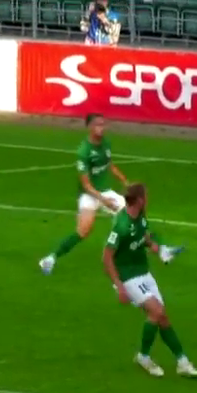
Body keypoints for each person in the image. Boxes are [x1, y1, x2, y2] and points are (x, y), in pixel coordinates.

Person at [103, 183, 197, 378]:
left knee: (162, 317)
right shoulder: (121, 226)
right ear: (139, 200)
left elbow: (143, 235)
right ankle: (143, 357)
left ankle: (182, 362)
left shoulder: (141, 216)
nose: (148, 198)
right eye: (145, 196)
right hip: (128, 277)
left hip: (144, 273)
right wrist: (119, 287)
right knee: (157, 311)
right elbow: (106, 257)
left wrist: (156, 247)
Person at [39, 113, 129, 274]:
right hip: (89, 195)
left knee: (132, 215)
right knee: (83, 231)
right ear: (89, 127)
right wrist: (104, 201)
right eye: (97, 125)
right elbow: (86, 185)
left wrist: (125, 181)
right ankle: (50, 259)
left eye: (103, 124)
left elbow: (109, 165)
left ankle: (160, 249)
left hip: (105, 191)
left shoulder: (106, 143)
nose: (101, 128)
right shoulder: (84, 151)